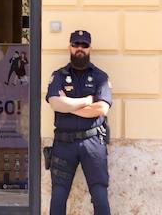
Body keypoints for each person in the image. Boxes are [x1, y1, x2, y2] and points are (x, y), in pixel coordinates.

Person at [45, 30, 112, 215]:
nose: (79, 49)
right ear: (70, 47)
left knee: (99, 194)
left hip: (93, 143)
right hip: (64, 144)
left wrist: (69, 105)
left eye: (84, 45)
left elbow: (102, 109)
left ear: (90, 48)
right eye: (76, 45)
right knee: (59, 194)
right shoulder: (58, 75)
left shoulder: (101, 77)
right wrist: (87, 101)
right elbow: (55, 103)